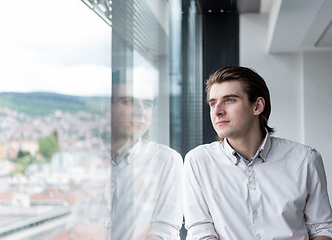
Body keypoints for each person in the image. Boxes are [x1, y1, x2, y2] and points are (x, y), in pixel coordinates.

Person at [183, 66, 332, 239]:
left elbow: (322, 229)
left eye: (230, 100)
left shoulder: (305, 159)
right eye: (213, 103)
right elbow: (200, 232)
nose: (217, 111)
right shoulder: (198, 161)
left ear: (258, 106)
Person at [107, 70, 183, 240]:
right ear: (106, 106)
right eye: (128, 102)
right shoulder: (87, 159)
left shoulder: (166, 161)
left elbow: (165, 234)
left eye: (147, 104)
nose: (140, 112)